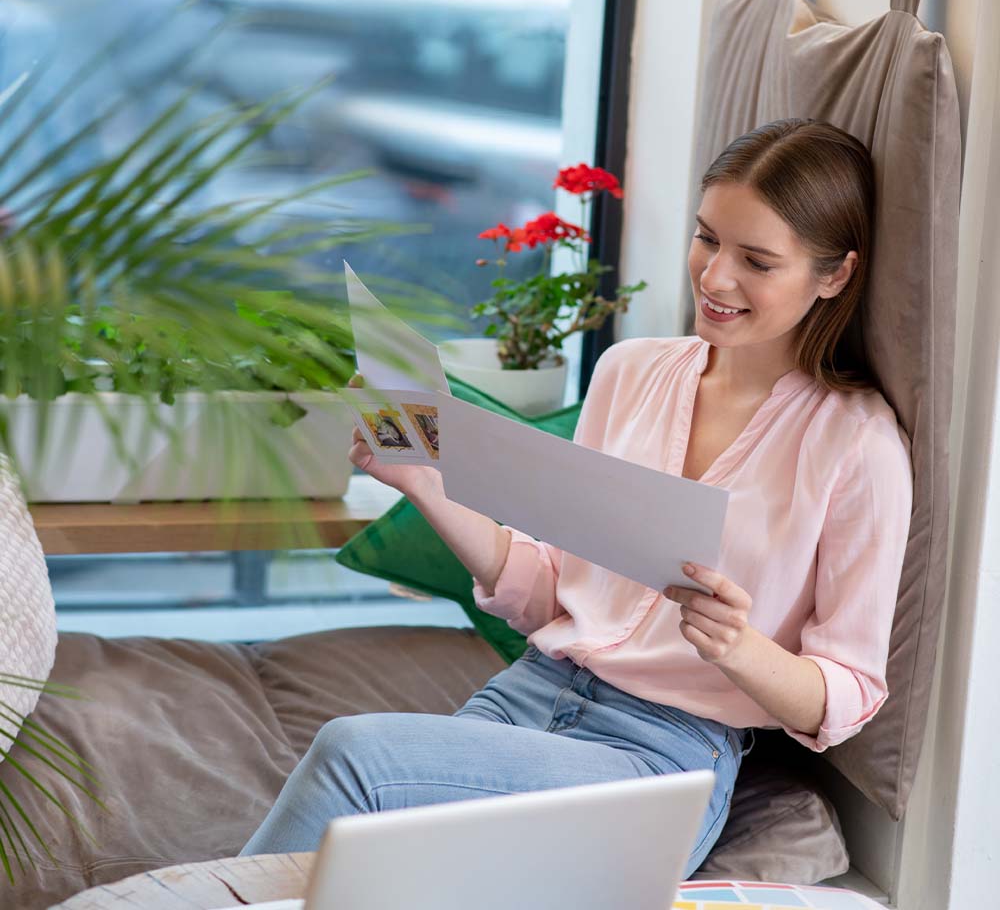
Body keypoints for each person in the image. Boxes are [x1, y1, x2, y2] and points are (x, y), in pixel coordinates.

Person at [241, 119, 913, 878]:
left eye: (757, 261)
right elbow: (548, 591)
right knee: (385, 871)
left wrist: (739, 647)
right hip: (528, 696)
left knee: (353, 756)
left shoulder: (857, 447)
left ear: (834, 275)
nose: (716, 278)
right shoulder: (630, 373)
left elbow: (848, 694)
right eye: (707, 239)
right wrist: (422, 484)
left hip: (661, 757)